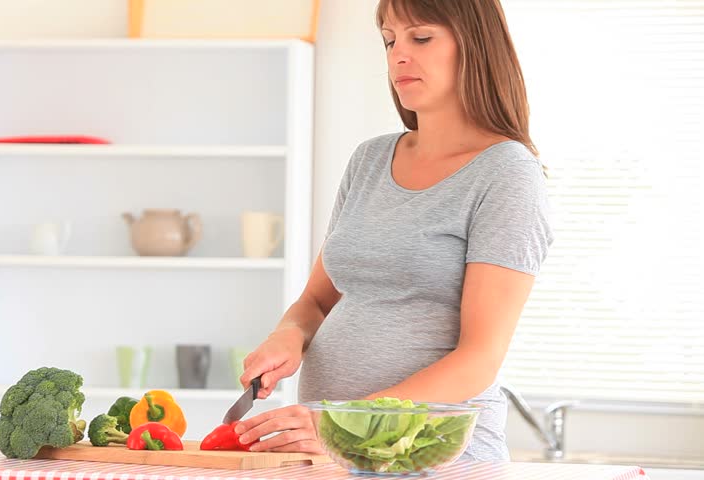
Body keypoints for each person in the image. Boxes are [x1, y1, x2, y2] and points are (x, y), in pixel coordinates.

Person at [233, 0, 553, 462]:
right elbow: (318, 301)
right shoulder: (370, 159)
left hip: (435, 458)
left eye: (420, 37)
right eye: (389, 40)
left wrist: (346, 424)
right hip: (336, 456)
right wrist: (288, 334)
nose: (398, 55)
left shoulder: (506, 174)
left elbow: (479, 357)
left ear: (476, 47)